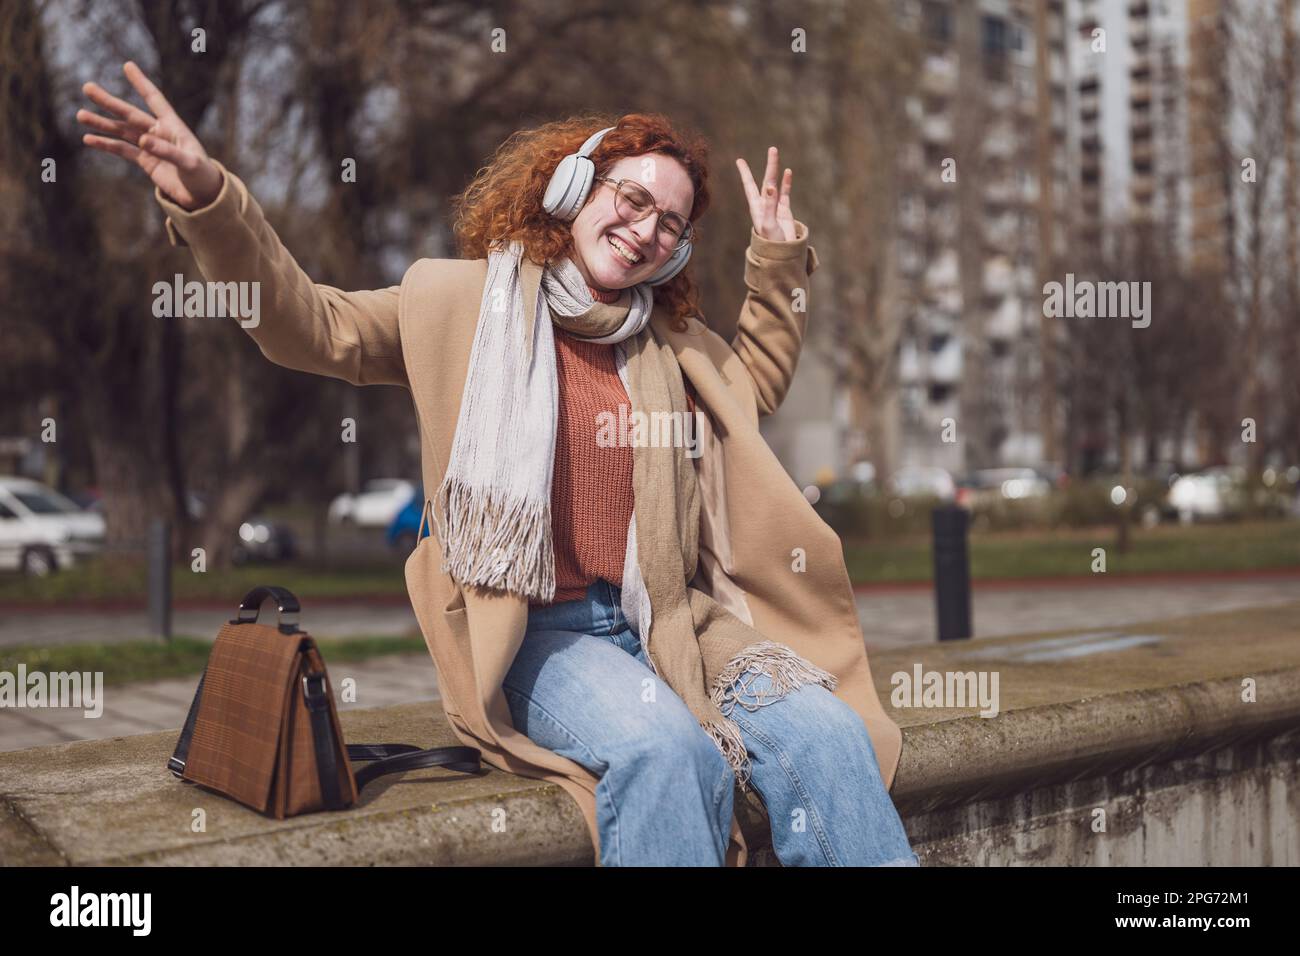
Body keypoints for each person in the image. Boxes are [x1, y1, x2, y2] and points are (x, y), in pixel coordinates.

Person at [78, 60, 919, 867]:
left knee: (828, 730)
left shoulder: (669, 345)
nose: (646, 229)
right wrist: (208, 201)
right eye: (633, 199)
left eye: (671, 224)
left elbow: (752, 390)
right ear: (572, 187)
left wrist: (775, 261)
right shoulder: (458, 307)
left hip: (671, 620)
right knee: (671, 755)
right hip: (540, 636)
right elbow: (309, 326)